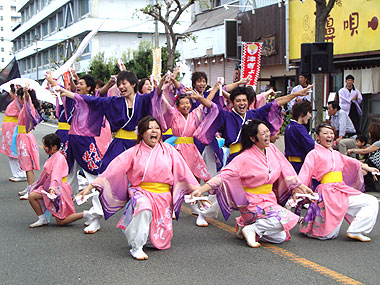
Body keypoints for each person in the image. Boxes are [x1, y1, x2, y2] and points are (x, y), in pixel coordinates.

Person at [76, 116, 199, 260]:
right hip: (141, 191)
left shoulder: (170, 151)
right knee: (144, 208)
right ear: (141, 133)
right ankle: (136, 247)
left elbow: (185, 173)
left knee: (156, 241)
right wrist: (90, 186)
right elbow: (113, 170)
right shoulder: (133, 152)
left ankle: (139, 234)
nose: (154, 131)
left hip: (164, 194)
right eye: (149, 128)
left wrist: (198, 192)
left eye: (157, 128)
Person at [191, 119, 313, 248]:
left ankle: (245, 225)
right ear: (253, 138)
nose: (267, 135)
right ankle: (251, 229)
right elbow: (224, 175)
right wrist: (201, 189)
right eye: (263, 133)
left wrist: (299, 186)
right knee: (286, 218)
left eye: (267, 131)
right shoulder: (244, 157)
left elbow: (285, 167)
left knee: (280, 237)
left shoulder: (271, 149)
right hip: (252, 202)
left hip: (269, 199)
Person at [298, 123, 379, 241]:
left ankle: (355, 230)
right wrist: (298, 188)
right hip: (327, 194)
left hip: (341, 189)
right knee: (328, 235)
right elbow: (305, 171)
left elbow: (352, 161)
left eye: (331, 133)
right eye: (325, 133)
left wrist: (369, 168)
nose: (329, 136)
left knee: (370, 201)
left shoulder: (336, 154)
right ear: (318, 136)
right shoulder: (313, 153)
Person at [213, 85, 313, 164]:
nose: (241, 103)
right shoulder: (226, 115)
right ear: (232, 102)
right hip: (235, 158)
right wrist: (202, 96)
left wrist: (295, 94)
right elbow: (211, 106)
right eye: (238, 101)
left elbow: (276, 103)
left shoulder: (254, 114)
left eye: (244, 100)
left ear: (248, 102)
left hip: (254, 157)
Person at [27, 134, 88, 228]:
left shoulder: (59, 158)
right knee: (32, 196)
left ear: (54, 147)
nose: (44, 148)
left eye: (46, 146)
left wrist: (52, 188)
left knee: (61, 221)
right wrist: (37, 184)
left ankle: (87, 214)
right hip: (52, 187)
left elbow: (56, 176)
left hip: (60, 189)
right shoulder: (54, 157)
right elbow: (45, 176)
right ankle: (42, 218)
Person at [16, 86, 42, 200]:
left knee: (28, 165)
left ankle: (31, 189)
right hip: (22, 137)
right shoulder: (24, 108)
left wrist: (26, 93)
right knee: (25, 164)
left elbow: (27, 100)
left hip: (25, 138)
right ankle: (29, 186)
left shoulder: (29, 106)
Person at [0, 84, 26, 183]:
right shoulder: (13, 103)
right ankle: (16, 173)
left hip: (13, 129)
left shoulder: (19, 102)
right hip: (8, 130)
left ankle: (20, 173)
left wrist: (18, 92)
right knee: (11, 152)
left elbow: (20, 107)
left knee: (15, 151)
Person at [284, 100, 315, 173]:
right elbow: (311, 146)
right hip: (299, 166)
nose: (310, 116)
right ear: (302, 113)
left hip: (289, 164)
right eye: (309, 112)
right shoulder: (299, 128)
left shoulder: (289, 126)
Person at [348, 124, 380, 192]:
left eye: (370, 132)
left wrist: (353, 150)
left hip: (374, 165)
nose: (369, 134)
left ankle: (371, 187)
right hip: (371, 163)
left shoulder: (378, 143)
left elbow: (364, 151)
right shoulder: (375, 143)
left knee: (362, 169)